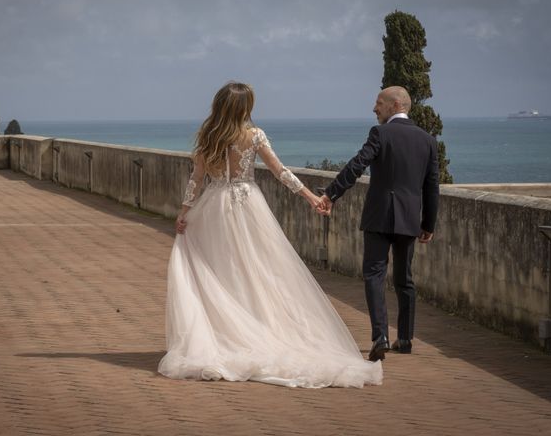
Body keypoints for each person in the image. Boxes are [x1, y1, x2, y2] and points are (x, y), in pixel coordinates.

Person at [158, 82, 383, 388]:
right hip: (247, 204)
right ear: (244, 108)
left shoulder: (207, 138)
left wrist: (185, 211)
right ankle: (252, 331)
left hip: (212, 208)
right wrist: (311, 198)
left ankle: (225, 335)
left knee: (218, 271)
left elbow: (196, 181)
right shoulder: (254, 135)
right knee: (256, 270)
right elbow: (280, 172)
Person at [317, 86, 440, 362]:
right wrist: (428, 224)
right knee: (404, 278)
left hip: (379, 215)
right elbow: (432, 187)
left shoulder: (381, 134)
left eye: (379, 103)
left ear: (395, 105)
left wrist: (331, 193)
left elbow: (357, 165)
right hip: (409, 218)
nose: (375, 108)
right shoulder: (427, 140)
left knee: (374, 274)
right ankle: (406, 338)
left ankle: (380, 336)